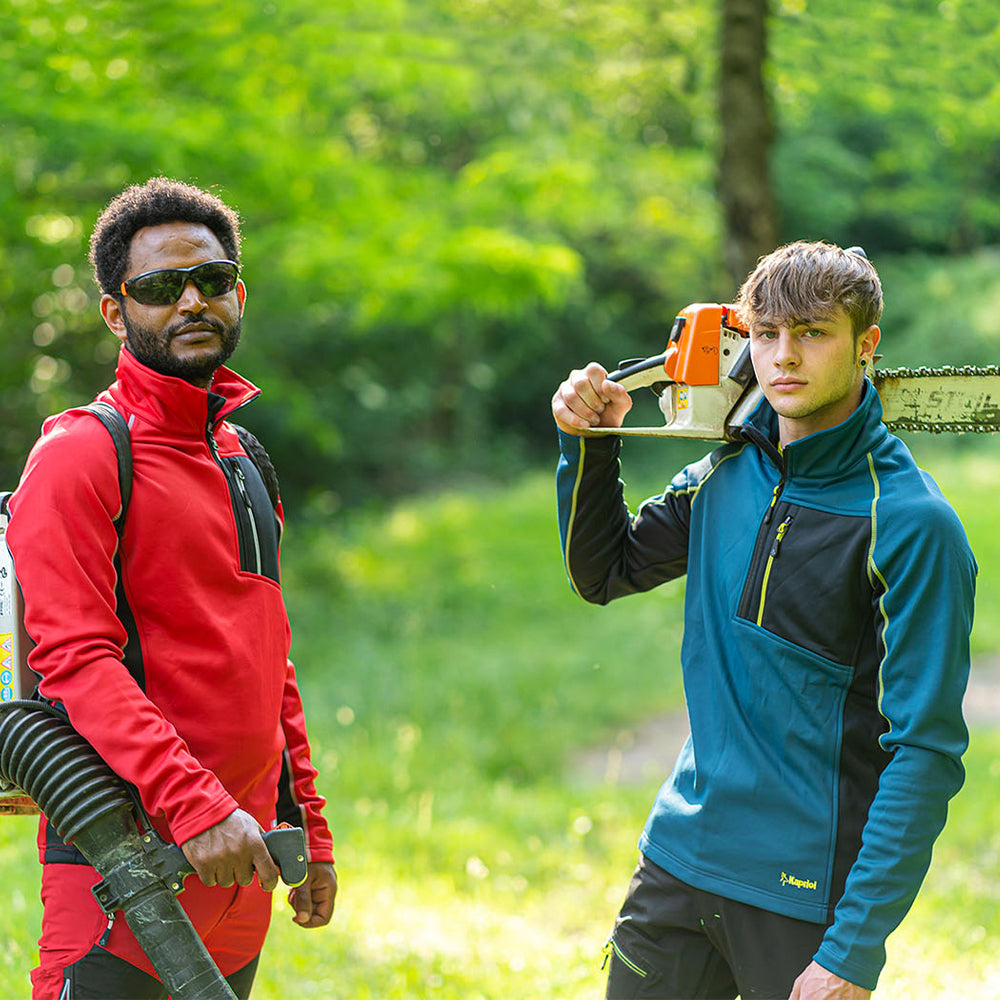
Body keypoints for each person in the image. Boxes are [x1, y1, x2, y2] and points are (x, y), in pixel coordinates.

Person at [551, 241, 976, 999]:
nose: (784, 356)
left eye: (812, 333)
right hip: (681, 859)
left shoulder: (911, 525)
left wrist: (854, 951)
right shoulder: (724, 468)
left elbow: (927, 752)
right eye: (768, 333)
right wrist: (587, 445)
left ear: (865, 345)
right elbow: (604, 571)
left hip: (802, 893)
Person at [8, 177, 337, 999]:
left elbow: (270, 660)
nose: (192, 301)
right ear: (118, 313)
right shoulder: (82, 456)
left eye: (212, 280)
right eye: (159, 288)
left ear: (238, 292)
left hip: (243, 871)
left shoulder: (241, 457)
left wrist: (309, 828)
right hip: (123, 881)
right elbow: (76, 661)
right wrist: (197, 809)